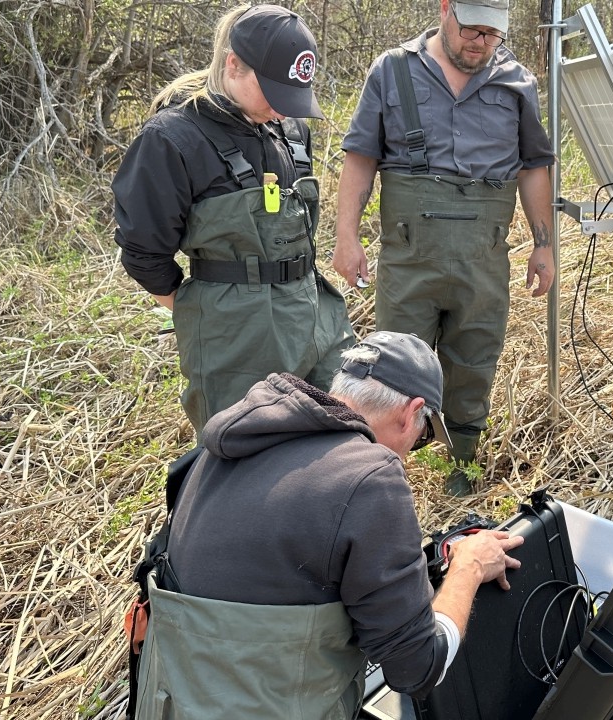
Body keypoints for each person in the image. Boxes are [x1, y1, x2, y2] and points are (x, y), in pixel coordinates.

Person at [131, 331, 524, 718]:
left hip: (168, 700)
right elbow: (416, 668)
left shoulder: (229, 442)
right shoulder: (371, 477)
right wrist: (468, 568)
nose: (410, 454)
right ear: (411, 412)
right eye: (422, 438)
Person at [332, 0, 556, 496]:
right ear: (445, 10)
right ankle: (380, 466)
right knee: (392, 363)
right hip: (410, 255)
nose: (480, 43)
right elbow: (361, 156)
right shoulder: (392, 71)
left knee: (474, 355)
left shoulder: (517, 81)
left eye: (492, 35)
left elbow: (533, 167)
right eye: (471, 30)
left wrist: (545, 245)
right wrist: (347, 236)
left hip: (483, 254)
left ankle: (462, 458)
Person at [112, 4, 355, 441]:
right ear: (232, 66)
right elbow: (143, 253)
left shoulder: (290, 128)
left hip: (316, 318)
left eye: (292, 97)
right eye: (275, 94)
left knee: (333, 439)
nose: (284, 111)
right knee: (247, 455)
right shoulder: (172, 138)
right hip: (236, 339)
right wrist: (206, 312)